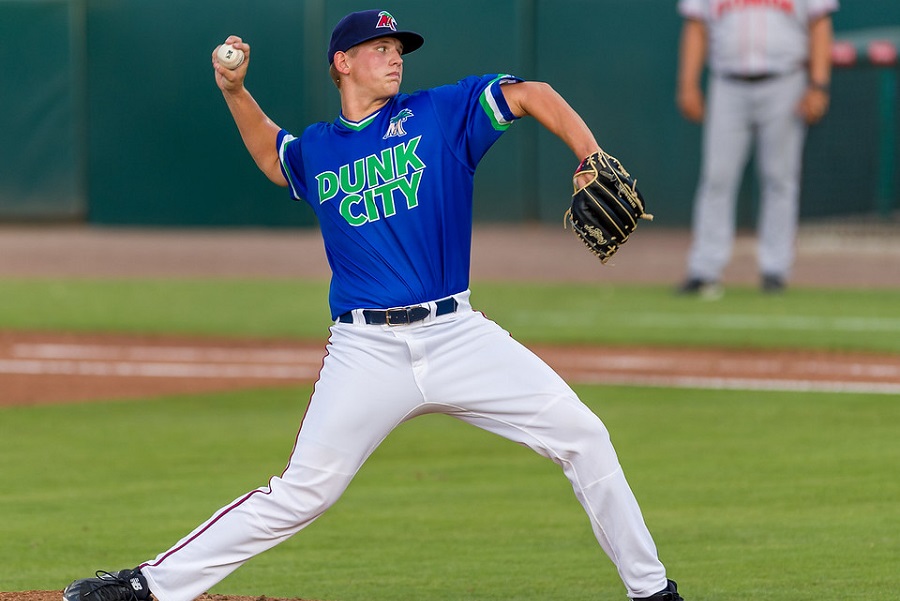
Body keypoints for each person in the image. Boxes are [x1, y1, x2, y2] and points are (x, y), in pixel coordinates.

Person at [63, 9, 683, 601]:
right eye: (380, 50)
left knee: (583, 436)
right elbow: (272, 154)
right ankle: (150, 585)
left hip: (458, 335)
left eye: (399, 50)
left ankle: (651, 590)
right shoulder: (320, 148)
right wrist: (234, 90)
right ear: (343, 63)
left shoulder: (440, 114)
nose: (395, 59)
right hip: (365, 351)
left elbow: (531, 94)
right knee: (302, 492)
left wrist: (589, 153)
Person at [675, 0, 838, 297]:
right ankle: (705, 270)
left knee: (780, 177)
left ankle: (775, 269)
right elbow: (696, 25)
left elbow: (820, 22)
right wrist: (687, 84)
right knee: (717, 177)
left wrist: (818, 84)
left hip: (785, 80)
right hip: (727, 82)